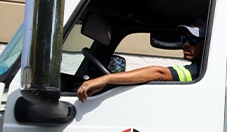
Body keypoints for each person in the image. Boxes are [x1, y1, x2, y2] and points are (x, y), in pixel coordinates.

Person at [76, 24, 205, 101]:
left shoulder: (198, 70)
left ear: (207, 44)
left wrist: (107, 79)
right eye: (183, 39)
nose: (186, 44)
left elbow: (159, 73)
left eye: (193, 40)